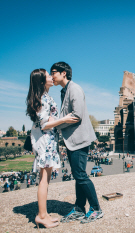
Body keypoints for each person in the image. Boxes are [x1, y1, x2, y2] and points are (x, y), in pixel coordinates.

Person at [51, 62, 103, 224]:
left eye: (54, 72)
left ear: (63, 73)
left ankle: (96, 209)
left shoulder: (74, 89)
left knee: (80, 174)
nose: (52, 76)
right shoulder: (65, 91)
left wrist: (57, 124)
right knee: (77, 174)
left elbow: (77, 115)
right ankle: (80, 208)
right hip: (73, 139)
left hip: (79, 138)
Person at [26, 68, 79, 229]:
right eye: (48, 75)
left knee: (46, 179)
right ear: (42, 81)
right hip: (45, 141)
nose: (51, 77)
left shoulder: (45, 97)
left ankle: (44, 213)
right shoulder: (43, 98)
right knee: (44, 180)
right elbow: (44, 124)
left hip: (47, 140)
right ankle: (41, 216)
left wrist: (55, 119)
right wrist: (64, 119)